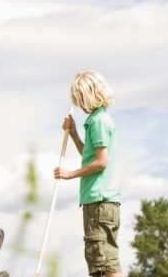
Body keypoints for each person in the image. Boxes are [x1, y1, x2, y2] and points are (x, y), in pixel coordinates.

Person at [54, 71, 121, 277]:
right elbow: (90, 155)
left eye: (81, 99)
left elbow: (101, 163)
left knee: (105, 262)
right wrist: (73, 133)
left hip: (99, 200)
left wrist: (70, 174)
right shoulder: (99, 119)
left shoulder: (98, 122)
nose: (81, 105)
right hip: (101, 201)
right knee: (100, 261)